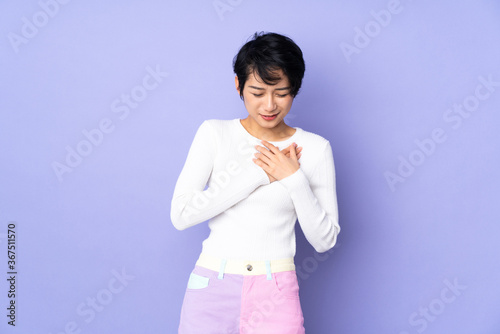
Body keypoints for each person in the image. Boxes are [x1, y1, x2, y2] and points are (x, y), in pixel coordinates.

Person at [170, 31, 340, 334]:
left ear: (295, 90)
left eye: (282, 93)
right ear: (239, 85)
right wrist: (260, 175)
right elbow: (182, 215)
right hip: (212, 284)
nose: (270, 105)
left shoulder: (314, 148)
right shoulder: (214, 134)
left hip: (276, 288)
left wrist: (293, 178)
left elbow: (325, 240)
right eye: (257, 93)